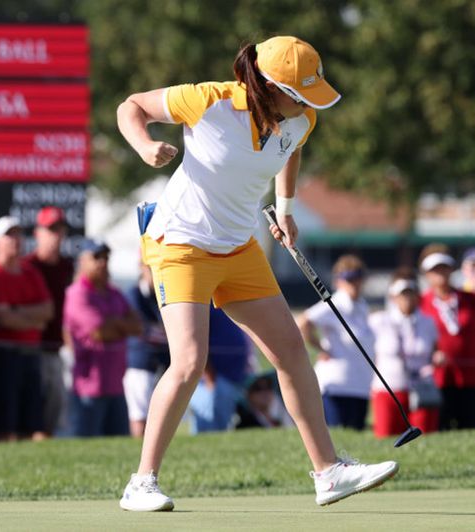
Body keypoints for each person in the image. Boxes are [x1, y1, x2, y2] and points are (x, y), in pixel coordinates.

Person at [116, 36, 397, 511]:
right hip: (180, 244)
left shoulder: (300, 118)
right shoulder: (209, 100)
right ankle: (141, 483)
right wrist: (144, 147)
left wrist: (285, 209)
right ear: (267, 86)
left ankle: (328, 473)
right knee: (188, 361)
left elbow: (290, 151)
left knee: (290, 351)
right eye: (299, 94)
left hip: (238, 246)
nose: (308, 105)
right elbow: (131, 106)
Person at [0, 215, 53, 441]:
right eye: (9, 235)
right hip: (3, 354)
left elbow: (47, 311)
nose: (16, 240)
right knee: (6, 422)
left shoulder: (30, 272)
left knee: (33, 421)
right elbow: (2, 318)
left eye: (18, 234)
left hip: (30, 352)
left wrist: (16, 311)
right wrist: (32, 317)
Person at [64, 240, 141, 437]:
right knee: (86, 447)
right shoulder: (77, 293)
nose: (102, 263)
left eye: (105, 257)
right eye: (96, 257)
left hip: (116, 384)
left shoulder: (114, 292)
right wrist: (120, 325)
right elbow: (99, 331)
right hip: (89, 388)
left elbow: (137, 326)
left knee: (119, 446)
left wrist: (114, 324)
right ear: (82, 261)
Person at [298, 255, 375, 431]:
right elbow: (304, 321)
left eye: (358, 279)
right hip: (337, 384)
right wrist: (320, 348)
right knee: (338, 435)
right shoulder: (335, 303)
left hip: (360, 384)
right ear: (339, 281)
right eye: (350, 280)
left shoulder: (361, 305)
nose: (355, 284)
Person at [22, 206, 75, 437]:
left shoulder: (66, 266)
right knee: (33, 406)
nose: (56, 235)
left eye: (59, 229)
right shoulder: (28, 265)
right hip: (31, 346)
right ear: (38, 233)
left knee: (55, 402)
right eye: (51, 229)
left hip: (55, 346)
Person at [367, 270, 440, 437]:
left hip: (421, 386)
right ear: (393, 298)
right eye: (402, 295)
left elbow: (434, 350)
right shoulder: (380, 320)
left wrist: (438, 357)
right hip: (389, 386)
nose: (407, 299)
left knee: (424, 436)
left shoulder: (427, 322)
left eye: (410, 294)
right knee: (387, 437)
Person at [417, 246, 475, 430]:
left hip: (469, 376)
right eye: (435, 270)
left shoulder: (468, 299)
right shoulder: (420, 302)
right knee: (439, 427)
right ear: (426, 274)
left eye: (444, 267)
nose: (440, 273)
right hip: (437, 377)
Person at [188, 306, 253, 433]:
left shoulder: (227, 302)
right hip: (213, 379)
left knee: (222, 426)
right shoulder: (204, 304)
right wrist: (209, 377)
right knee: (209, 429)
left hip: (233, 377)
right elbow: (196, 342)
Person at [124, 263, 171, 437]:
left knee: (162, 414)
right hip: (141, 363)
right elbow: (143, 329)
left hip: (163, 363)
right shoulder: (134, 294)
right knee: (140, 415)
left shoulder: (162, 293)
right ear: (142, 268)